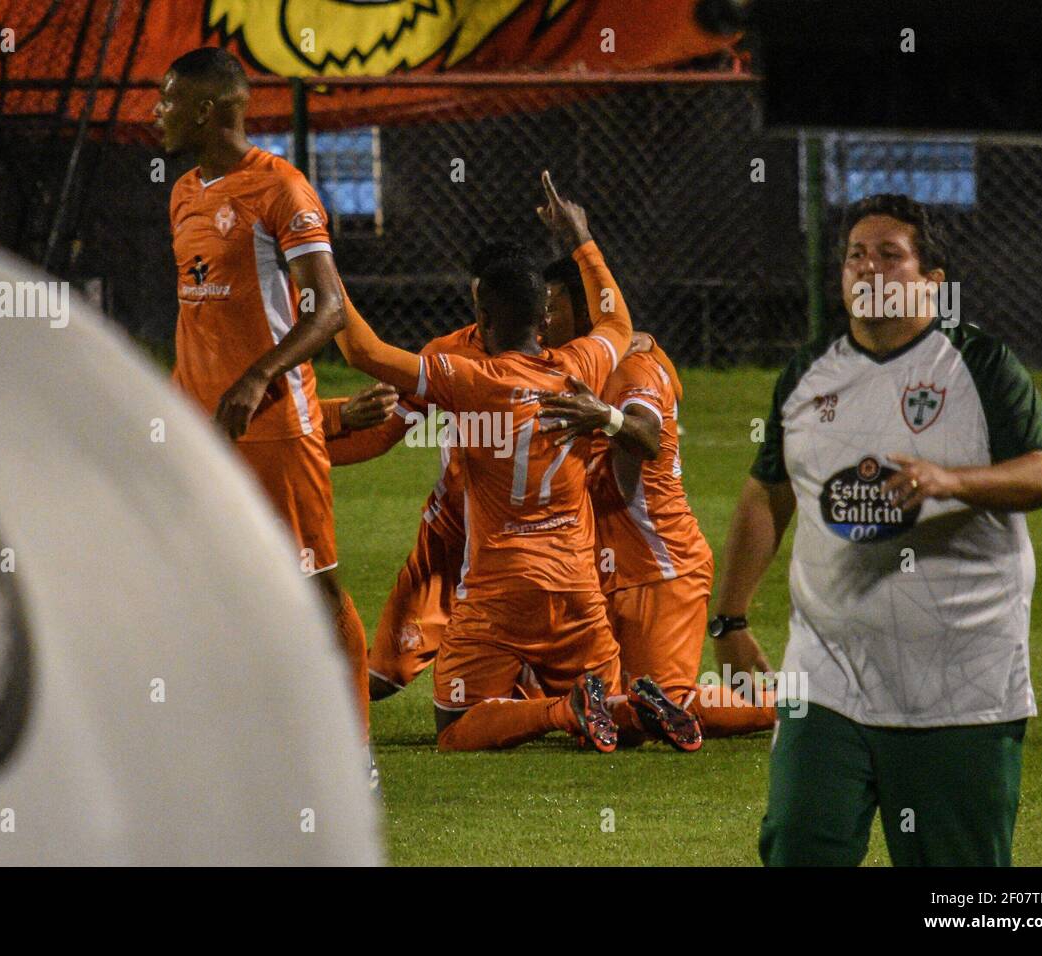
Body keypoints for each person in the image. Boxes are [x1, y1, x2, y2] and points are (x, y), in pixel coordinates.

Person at [713, 193, 1042, 866]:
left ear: (933, 281)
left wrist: (948, 480)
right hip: (827, 680)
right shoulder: (808, 374)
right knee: (798, 844)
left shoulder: (981, 367)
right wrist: (729, 620)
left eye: (889, 255)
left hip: (961, 686)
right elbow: (767, 491)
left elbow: (1040, 475)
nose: (868, 269)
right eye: (855, 256)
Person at [335, 173, 699, 752]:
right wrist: (581, 238)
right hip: (577, 586)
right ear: (543, 314)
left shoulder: (470, 377)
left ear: (482, 312)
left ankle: (560, 711)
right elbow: (618, 322)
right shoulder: (583, 367)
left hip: (497, 588)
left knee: (454, 728)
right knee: (610, 703)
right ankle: (628, 704)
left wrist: (319, 272)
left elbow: (363, 351)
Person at [153, 47, 371, 735]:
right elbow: (199, 311)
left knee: (315, 589)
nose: (156, 112)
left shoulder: (282, 190)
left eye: (168, 99)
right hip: (201, 429)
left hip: (277, 426)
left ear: (208, 109)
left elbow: (328, 309)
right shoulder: (184, 191)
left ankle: (351, 746)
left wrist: (257, 376)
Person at [537, 260, 774, 743]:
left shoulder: (633, 367)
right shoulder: (572, 363)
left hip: (658, 570)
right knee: (600, 708)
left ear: (585, 314)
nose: (542, 320)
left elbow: (645, 433)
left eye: (552, 307)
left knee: (664, 703)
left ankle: (789, 709)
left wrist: (603, 415)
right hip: (599, 574)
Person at [320, 243, 528, 702]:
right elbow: (383, 431)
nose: (487, 319)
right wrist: (295, 447)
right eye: (482, 306)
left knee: (479, 700)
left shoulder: (560, 360)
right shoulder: (449, 356)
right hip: (449, 543)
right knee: (380, 675)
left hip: (522, 551)